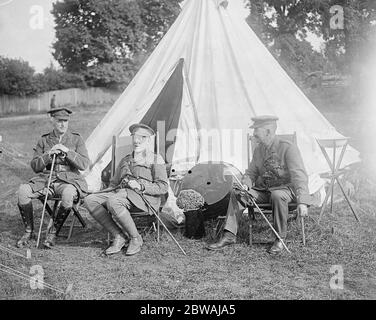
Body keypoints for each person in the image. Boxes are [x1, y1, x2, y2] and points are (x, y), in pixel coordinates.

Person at [207, 115, 311, 255]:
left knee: (277, 195)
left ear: (268, 131)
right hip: (264, 191)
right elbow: (251, 173)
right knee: (238, 194)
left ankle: (280, 238)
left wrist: (302, 202)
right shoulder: (259, 150)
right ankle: (229, 235)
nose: (254, 134)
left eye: (257, 130)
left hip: (286, 191)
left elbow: (299, 176)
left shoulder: (288, 148)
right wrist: (246, 184)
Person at [83, 123, 169, 256]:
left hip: (144, 199)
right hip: (121, 194)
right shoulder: (125, 160)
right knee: (90, 200)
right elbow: (114, 183)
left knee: (113, 201)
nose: (137, 141)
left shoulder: (155, 159)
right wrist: (105, 193)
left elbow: (163, 187)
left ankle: (135, 238)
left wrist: (141, 186)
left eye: (142, 137)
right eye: (134, 137)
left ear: (149, 140)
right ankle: (119, 236)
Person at [16, 107, 90, 248]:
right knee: (23, 191)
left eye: (66, 121)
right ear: (52, 121)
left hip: (69, 180)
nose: (63, 124)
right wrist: (48, 154)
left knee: (68, 194)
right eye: (59, 121)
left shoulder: (76, 139)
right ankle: (29, 231)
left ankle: (53, 233)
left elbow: (84, 164)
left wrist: (67, 151)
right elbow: (35, 166)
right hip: (46, 179)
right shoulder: (44, 140)